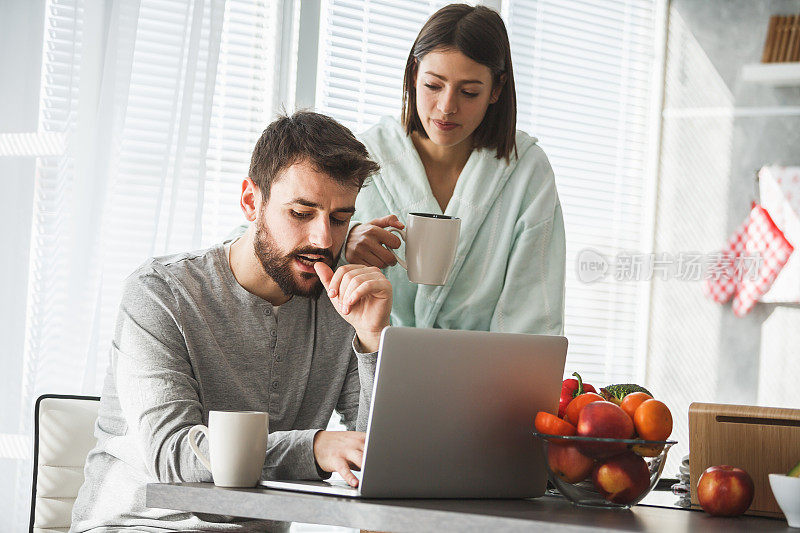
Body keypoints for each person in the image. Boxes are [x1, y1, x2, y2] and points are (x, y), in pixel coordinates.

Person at [71, 111, 392, 532]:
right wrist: (312, 448)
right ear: (250, 201)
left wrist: (371, 339)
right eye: (301, 213)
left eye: (339, 218)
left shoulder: (339, 306)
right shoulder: (160, 293)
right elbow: (174, 456)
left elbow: (374, 460)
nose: (324, 241)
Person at [345, 4, 566, 335]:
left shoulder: (527, 172)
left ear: (497, 89)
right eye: (434, 85)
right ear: (414, 73)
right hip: (369, 369)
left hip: (482, 377)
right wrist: (343, 242)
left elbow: (533, 315)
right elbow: (271, 245)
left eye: (469, 92)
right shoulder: (360, 158)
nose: (447, 107)